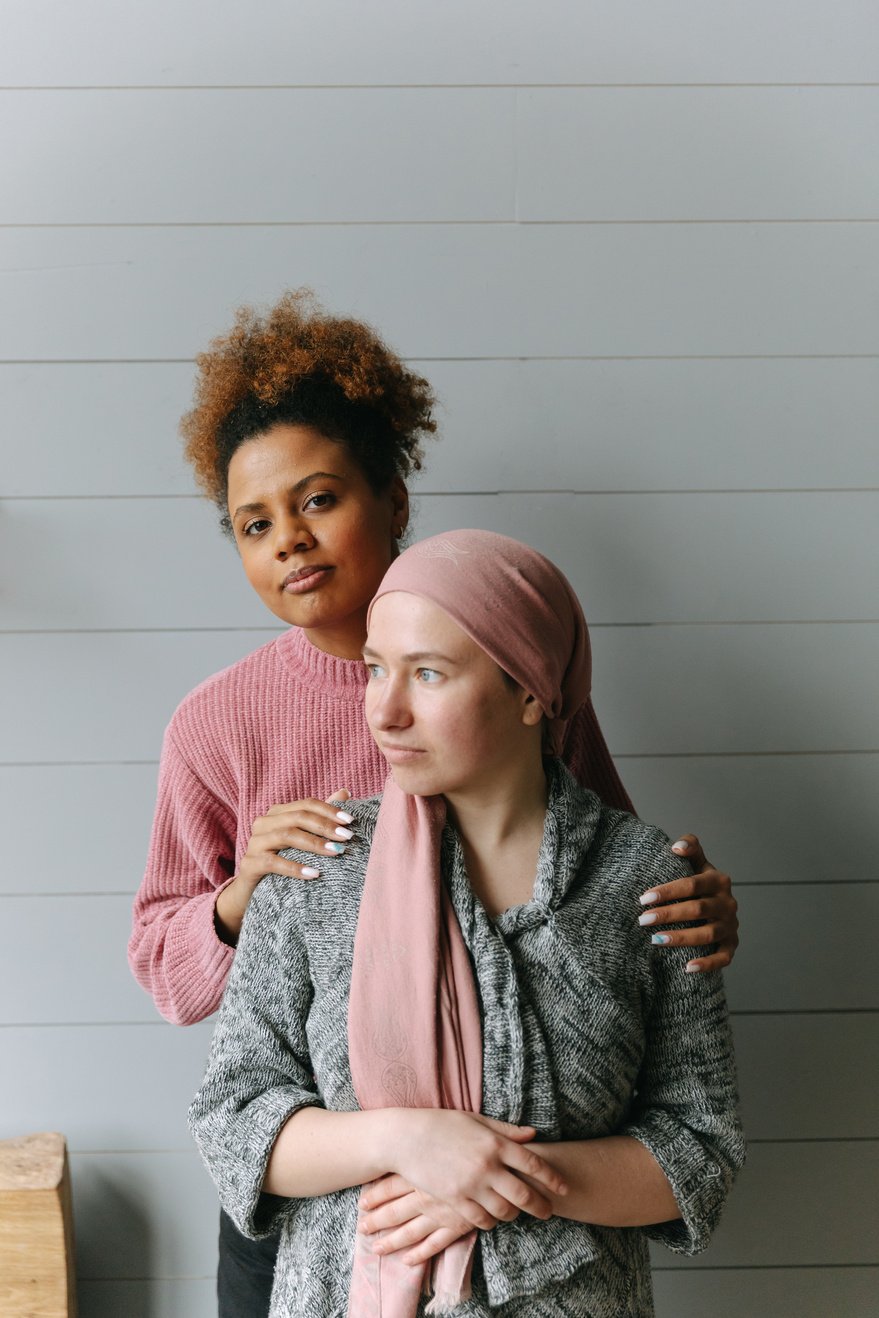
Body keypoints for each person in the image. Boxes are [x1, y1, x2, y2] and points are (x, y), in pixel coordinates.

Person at [128, 290, 739, 1314]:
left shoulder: (512, 674)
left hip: (539, 1237)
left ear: (394, 497)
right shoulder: (216, 725)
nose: (289, 540)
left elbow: (599, 886)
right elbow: (175, 980)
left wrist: (700, 906)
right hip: (327, 1198)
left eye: (318, 499)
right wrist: (244, 897)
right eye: (255, 523)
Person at [189, 529, 744, 1317]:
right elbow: (232, 1119)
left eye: (427, 673)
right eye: (375, 668)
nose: (383, 709)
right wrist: (408, 1143)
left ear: (528, 691)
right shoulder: (317, 871)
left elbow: (699, 1148)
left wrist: (499, 1184)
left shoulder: (646, 884)